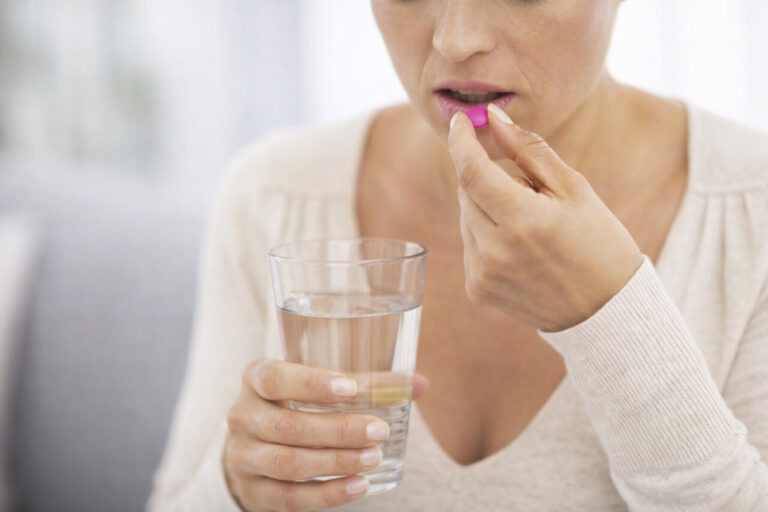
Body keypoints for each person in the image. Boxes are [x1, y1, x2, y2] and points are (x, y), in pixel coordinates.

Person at [147, 1, 768, 510]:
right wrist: (238, 487)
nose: (456, 39)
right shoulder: (274, 192)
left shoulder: (751, 211)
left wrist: (608, 315)